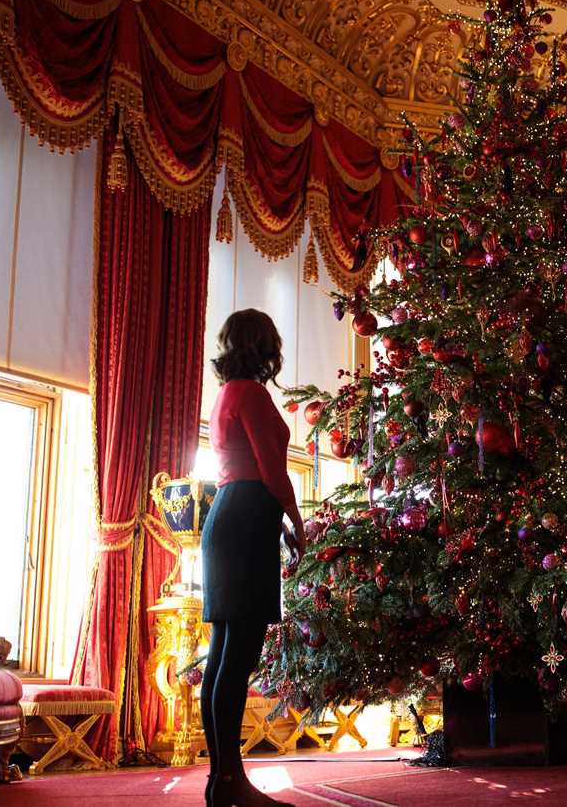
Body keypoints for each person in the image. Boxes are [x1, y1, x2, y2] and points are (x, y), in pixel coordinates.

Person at [201, 309, 307, 807]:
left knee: (224, 654)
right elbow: (270, 468)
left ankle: (221, 780)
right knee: (236, 657)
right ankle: (231, 784)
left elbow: (248, 468)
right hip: (247, 520)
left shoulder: (226, 393)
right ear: (264, 345)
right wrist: (296, 517)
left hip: (227, 515)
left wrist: (279, 522)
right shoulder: (254, 394)